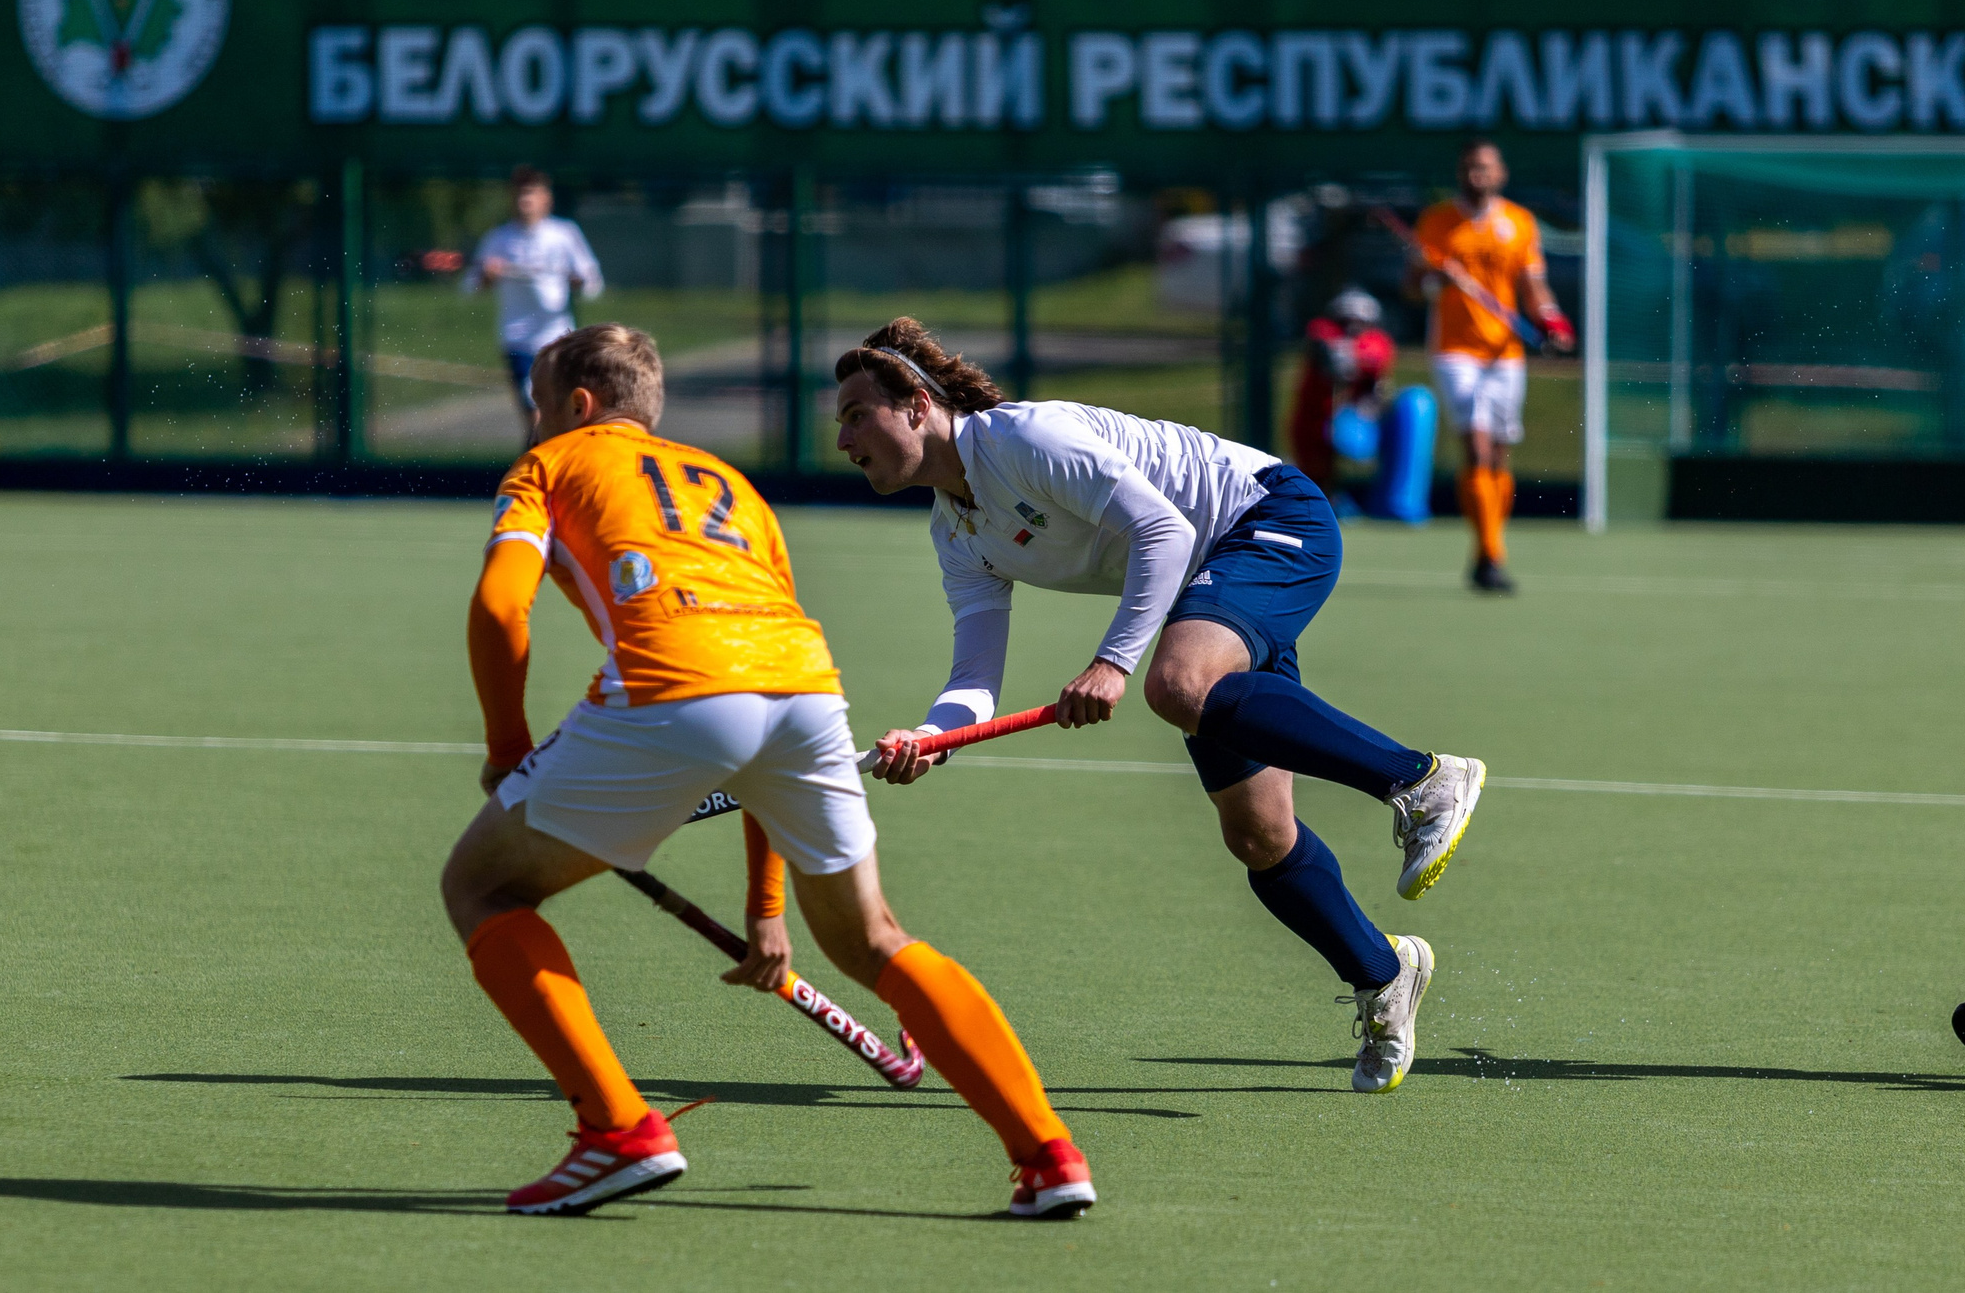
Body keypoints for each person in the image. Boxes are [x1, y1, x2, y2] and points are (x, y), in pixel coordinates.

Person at [441, 323, 1095, 1219]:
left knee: (482, 888)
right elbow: (758, 720)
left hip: (668, 683)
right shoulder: (730, 485)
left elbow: (498, 605)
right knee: (872, 939)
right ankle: (1048, 1153)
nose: (532, 421)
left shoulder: (548, 466)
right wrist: (764, 911)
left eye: (538, 404)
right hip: (805, 689)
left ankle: (618, 1131)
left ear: (578, 408)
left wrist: (508, 746)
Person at [834, 317, 1487, 1095]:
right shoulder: (956, 530)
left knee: (1175, 685)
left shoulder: (1023, 439)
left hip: (1267, 518)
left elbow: (1165, 531)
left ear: (915, 403)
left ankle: (1421, 780)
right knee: (1258, 832)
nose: (842, 438)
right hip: (1204, 587)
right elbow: (975, 672)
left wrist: (1112, 662)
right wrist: (936, 734)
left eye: (854, 414)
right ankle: (1385, 971)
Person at [1406, 140, 1576, 594]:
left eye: (1485, 168)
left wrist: (1552, 320)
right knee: (1477, 448)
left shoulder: (1518, 223)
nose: (1477, 175)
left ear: (1500, 173)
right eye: (1469, 168)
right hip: (1455, 351)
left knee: (1499, 456)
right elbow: (1411, 285)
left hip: (1505, 353)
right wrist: (1432, 277)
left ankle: (1486, 548)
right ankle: (1491, 557)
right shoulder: (1438, 221)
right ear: (1460, 173)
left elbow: (1533, 285)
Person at [463, 167, 603, 441]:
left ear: (545, 198)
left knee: (560, 418)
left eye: (531, 194)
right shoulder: (499, 238)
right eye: (519, 194)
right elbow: (471, 286)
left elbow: (592, 282)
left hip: (557, 340)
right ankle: (534, 476)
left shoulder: (564, 235)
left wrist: (577, 281)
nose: (524, 201)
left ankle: (547, 473)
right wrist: (487, 276)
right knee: (537, 417)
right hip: (518, 341)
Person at [1289, 286, 1395, 495]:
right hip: (1315, 416)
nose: (1353, 326)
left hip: (1354, 416)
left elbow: (1374, 372)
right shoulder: (1321, 333)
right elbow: (1325, 355)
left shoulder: (1376, 343)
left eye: (1360, 321)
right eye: (1346, 320)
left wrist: (1352, 358)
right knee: (1313, 470)